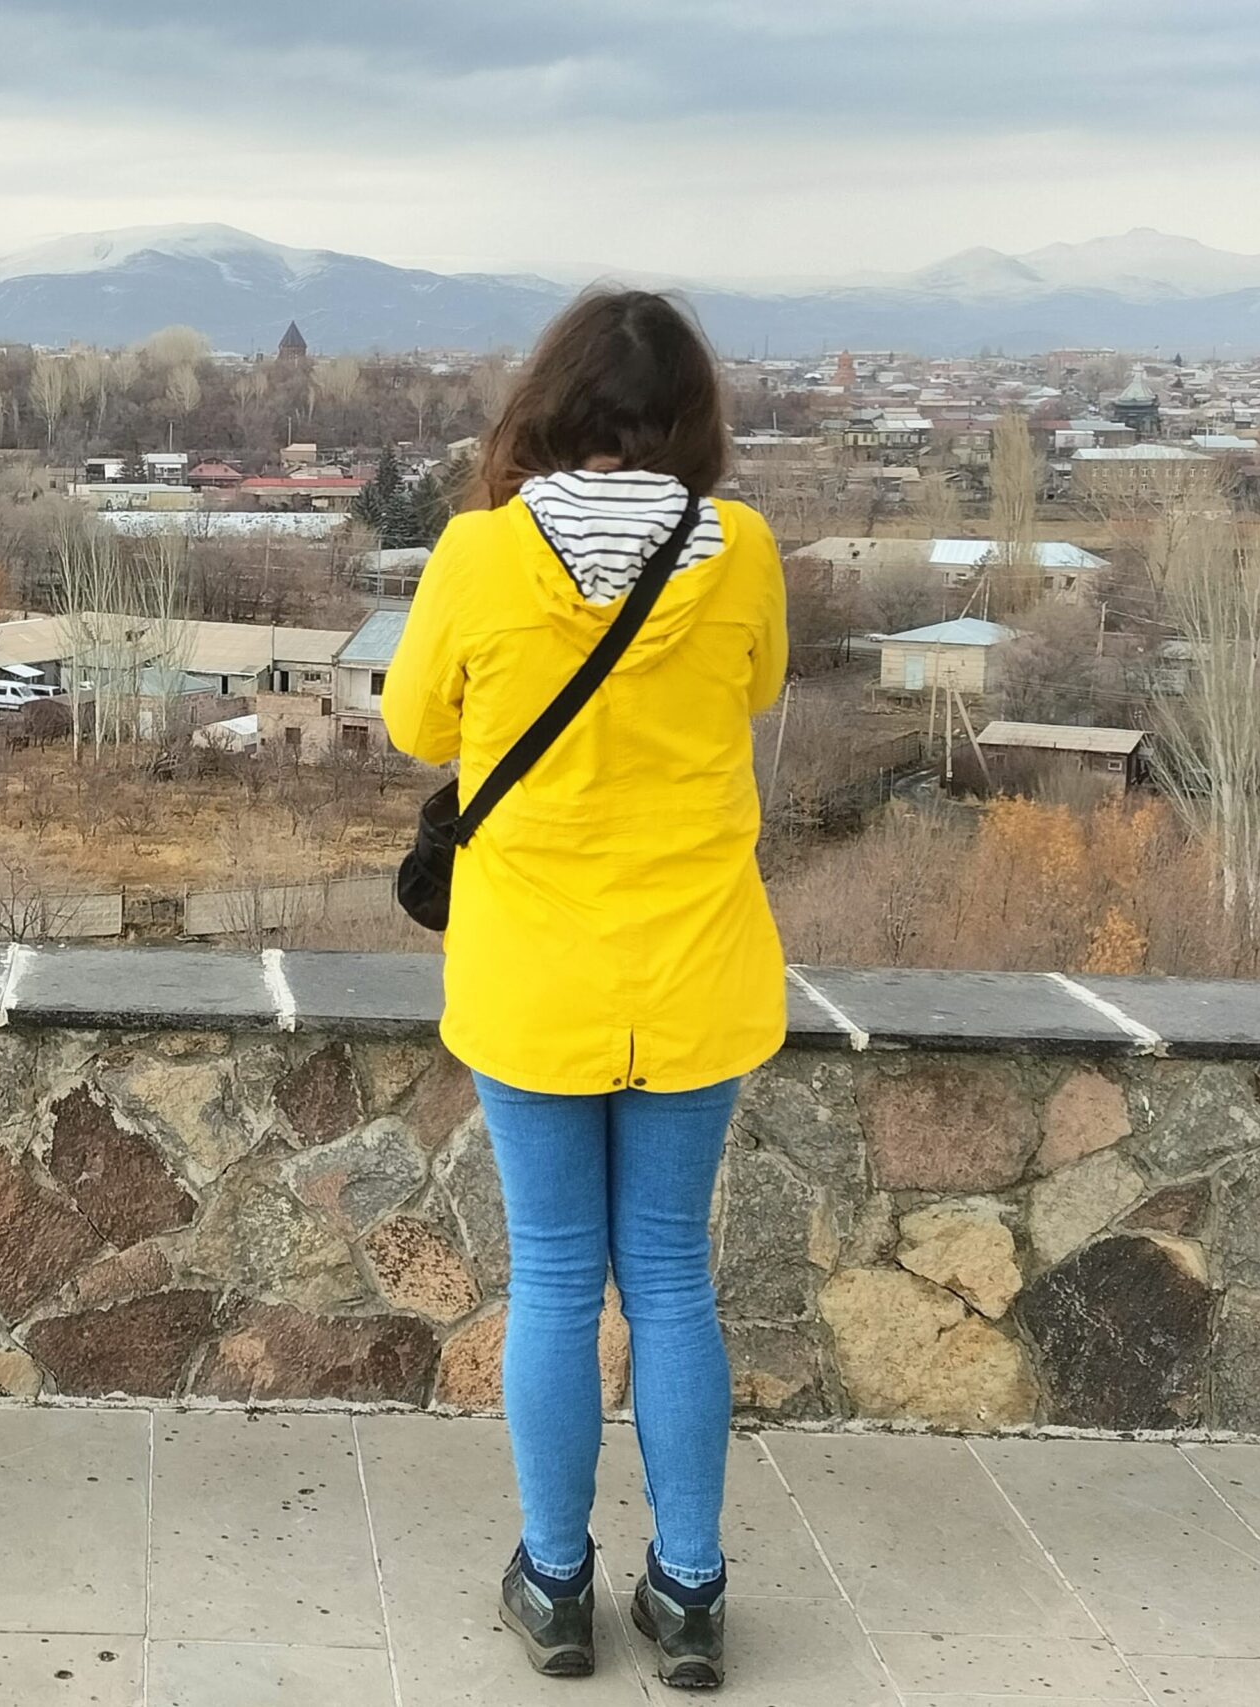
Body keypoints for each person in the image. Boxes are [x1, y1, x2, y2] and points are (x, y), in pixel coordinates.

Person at [382, 289, 787, 1690]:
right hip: (696, 971)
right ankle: (689, 1594)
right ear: (692, 422)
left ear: (542, 409)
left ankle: (556, 1588)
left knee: (554, 1277)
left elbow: (415, 721)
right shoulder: (740, 553)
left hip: (532, 978)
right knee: (672, 1277)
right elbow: (759, 686)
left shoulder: (479, 556)